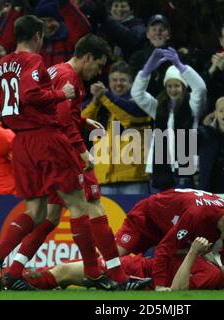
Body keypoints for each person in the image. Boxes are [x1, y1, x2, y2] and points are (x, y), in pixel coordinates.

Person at [0, 15, 115, 291]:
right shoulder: (35, 62)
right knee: (79, 204)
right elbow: (31, 96)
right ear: (38, 36)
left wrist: (76, 118)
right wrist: (61, 96)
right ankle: (94, 273)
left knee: (38, 212)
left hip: (21, 143)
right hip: (46, 141)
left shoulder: (0, 65)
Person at [37, 34, 150, 291]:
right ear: (87, 57)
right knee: (93, 207)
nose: (98, 71)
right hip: (64, 152)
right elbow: (64, 119)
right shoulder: (70, 78)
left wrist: (83, 122)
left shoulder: (57, 71)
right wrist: (81, 151)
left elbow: (58, 113)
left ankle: (12, 269)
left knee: (49, 215)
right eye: (98, 65)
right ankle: (109, 275)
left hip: (46, 151)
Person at [21, 237, 224, 291]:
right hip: (136, 266)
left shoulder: (214, 278)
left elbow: (178, 292)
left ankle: (12, 280)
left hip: (135, 276)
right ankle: (19, 280)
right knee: (64, 272)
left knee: (64, 272)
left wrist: (192, 253)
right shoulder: (215, 267)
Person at [131, 47, 206, 192]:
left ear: (184, 87)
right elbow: (137, 94)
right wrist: (146, 71)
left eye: (177, 85)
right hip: (159, 171)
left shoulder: (193, 106)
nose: (173, 90)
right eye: (169, 86)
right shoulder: (158, 107)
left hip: (183, 170)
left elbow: (201, 89)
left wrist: (182, 67)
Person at [113, 188, 224, 259]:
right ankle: (92, 267)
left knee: (195, 256)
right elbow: (164, 250)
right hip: (147, 218)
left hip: (169, 227)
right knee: (112, 259)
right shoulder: (197, 214)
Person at [82, 60, 151, 194]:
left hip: (133, 180)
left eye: (123, 80)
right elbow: (83, 122)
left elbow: (130, 117)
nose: (118, 84)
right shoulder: (102, 103)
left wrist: (105, 95)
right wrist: (95, 101)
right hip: (104, 179)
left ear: (131, 83)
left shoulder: (140, 102)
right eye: (114, 80)